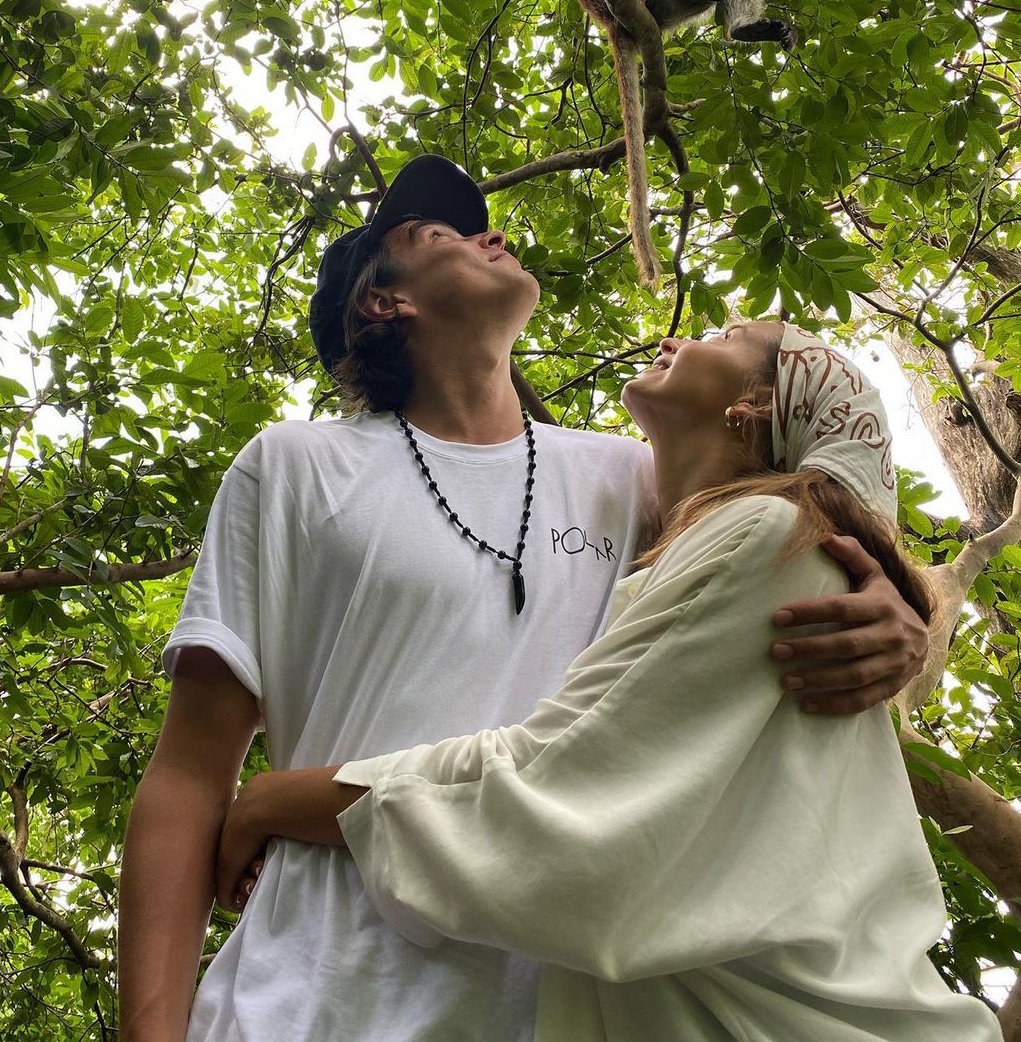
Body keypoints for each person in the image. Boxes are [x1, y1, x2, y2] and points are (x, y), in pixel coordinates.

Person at [118, 156, 931, 1042]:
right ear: (385, 304)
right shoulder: (294, 468)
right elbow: (191, 772)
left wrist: (895, 613)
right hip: (313, 994)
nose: (491, 235)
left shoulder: (636, 480)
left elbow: (795, 552)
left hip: (559, 1005)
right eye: (442, 236)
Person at [217, 319, 1000, 1040]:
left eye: (726, 335)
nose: (686, 334)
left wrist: (280, 797)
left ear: (756, 405)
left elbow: (556, 794)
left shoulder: (767, 536)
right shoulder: (694, 532)